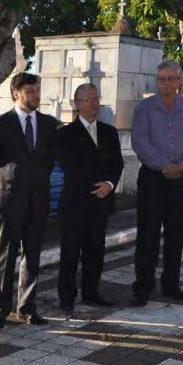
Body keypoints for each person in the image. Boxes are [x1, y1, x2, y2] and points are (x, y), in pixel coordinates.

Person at [0, 72, 59, 330]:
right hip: (8, 198)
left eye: (37, 90)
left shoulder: (48, 124)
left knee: (33, 253)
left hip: (37, 197)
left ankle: (27, 306)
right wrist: (3, 185)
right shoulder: (1, 123)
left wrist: (35, 180)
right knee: (5, 254)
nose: (36, 95)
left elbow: (49, 160)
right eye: (31, 91)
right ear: (16, 93)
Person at [131, 60, 183, 306]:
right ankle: (143, 286)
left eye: (171, 79)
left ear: (180, 81)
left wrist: (182, 165)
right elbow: (140, 142)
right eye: (162, 79)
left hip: (182, 180)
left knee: (176, 234)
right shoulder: (145, 108)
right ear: (157, 81)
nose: (166, 84)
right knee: (148, 235)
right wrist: (164, 165)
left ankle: (171, 284)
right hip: (153, 179)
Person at [56, 83, 124, 311]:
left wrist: (109, 185)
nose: (95, 104)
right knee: (70, 252)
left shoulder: (109, 132)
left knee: (96, 250)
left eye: (97, 99)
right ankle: (66, 298)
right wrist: (94, 185)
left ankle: (91, 292)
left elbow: (117, 163)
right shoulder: (65, 134)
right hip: (76, 203)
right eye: (89, 100)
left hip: (101, 202)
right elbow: (71, 167)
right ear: (77, 104)